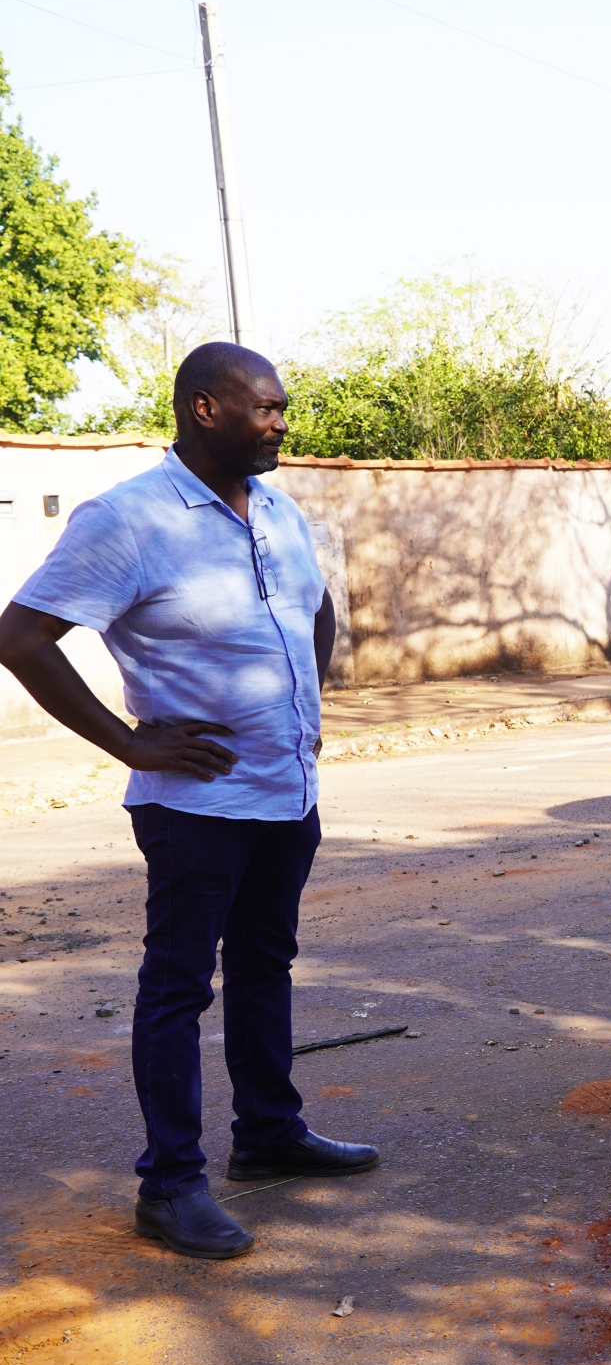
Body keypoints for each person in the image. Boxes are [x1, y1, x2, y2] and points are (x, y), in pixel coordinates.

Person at [0, 343, 379, 1261]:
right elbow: (21, 635)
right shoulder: (129, 518)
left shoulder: (279, 508)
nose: (280, 422)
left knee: (265, 962)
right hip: (195, 805)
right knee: (178, 986)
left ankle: (268, 1131)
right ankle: (170, 1185)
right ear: (205, 408)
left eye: (282, 407)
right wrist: (129, 742)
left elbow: (314, 608)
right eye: (265, 407)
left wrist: (306, 706)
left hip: (286, 791)